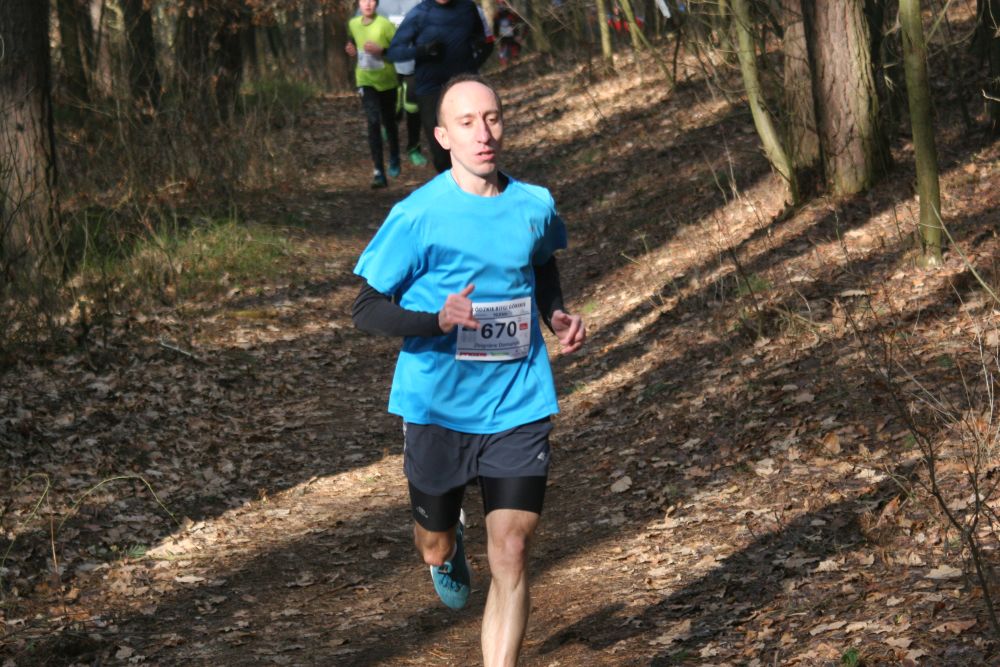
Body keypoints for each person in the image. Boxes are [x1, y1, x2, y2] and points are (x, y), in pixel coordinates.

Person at [352, 75, 586, 667]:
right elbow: (366, 308)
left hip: (518, 400)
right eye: (466, 122)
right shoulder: (417, 216)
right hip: (438, 406)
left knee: (512, 549)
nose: (483, 133)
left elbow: (542, 263)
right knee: (433, 547)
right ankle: (446, 541)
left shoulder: (535, 204)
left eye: (492, 118)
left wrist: (554, 313)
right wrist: (434, 320)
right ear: (442, 137)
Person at [385, 0, 494, 173]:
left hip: (463, 86)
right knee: (441, 153)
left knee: (470, 146)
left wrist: (473, 65)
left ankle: (472, 185)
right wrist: (423, 50)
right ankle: (449, 185)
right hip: (430, 90)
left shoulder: (467, 7)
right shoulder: (420, 13)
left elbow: (484, 41)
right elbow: (394, 52)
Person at [346, 0, 402, 188]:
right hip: (365, 80)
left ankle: (394, 157)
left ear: (377, 3)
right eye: (364, 0)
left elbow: (398, 51)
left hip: (387, 81)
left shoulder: (385, 25)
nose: (368, 4)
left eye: (371, 0)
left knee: (389, 122)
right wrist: (350, 48)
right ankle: (378, 171)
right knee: (373, 121)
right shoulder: (353, 24)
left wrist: (382, 50)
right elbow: (352, 42)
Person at [378, 0, 429, 167]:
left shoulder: (422, 2)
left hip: (414, 64)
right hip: (388, 65)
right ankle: (388, 123)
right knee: (394, 105)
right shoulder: (379, 4)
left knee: (413, 106)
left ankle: (414, 148)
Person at [492, 0, 524, 68]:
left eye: (503, 4)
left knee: (514, 51)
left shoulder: (512, 14)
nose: (501, 6)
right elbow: (495, 27)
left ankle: (516, 63)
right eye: (500, 4)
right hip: (503, 38)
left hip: (513, 37)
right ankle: (506, 66)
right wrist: (496, 36)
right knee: (504, 54)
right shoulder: (497, 16)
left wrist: (518, 35)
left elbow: (520, 22)